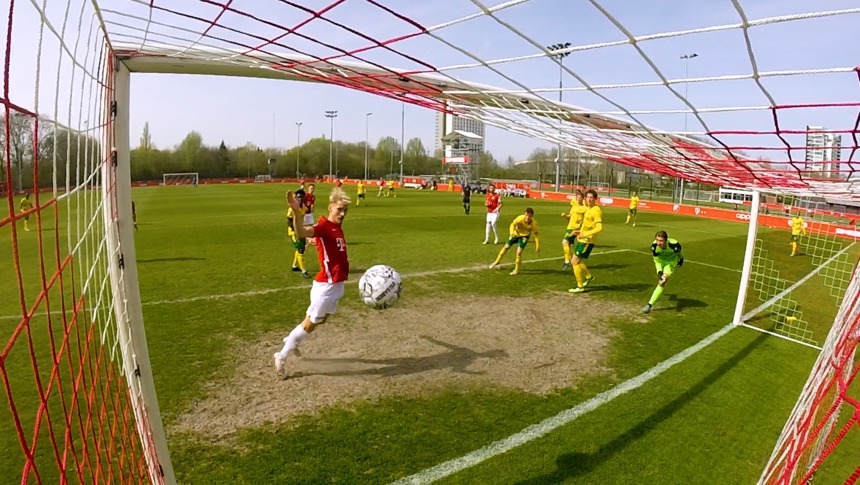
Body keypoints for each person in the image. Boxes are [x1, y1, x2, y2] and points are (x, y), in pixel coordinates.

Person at [275, 187, 352, 379]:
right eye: (339, 209)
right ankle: (282, 354)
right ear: (330, 207)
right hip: (326, 286)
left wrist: (314, 243)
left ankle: (293, 340)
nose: (342, 214)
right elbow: (302, 231)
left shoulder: (335, 228)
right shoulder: (324, 226)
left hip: (336, 285)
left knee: (320, 320)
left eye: (345, 211)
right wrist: (296, 212)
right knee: (309, 324)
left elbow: (321, 244)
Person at [568, 189, 602, 294]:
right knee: (577, 260)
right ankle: (588, 276)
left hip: (588, 240)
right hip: (582, 239)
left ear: (595, 199)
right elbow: (587, 225)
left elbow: (599, 227)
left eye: (591, 197)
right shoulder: (587, 208)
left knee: (574, 261)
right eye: (588, 197)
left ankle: (580, 286)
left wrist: (585, 234)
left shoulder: (596, 210)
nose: (589, 199)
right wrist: (578, 232)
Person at [489, 208, 540, 276]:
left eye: (530, 216)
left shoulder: (534, 224)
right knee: (506, 247)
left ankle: (516, 270)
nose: (528, 217)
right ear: (525, 214)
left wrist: (537, 245)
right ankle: (497, 261)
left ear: (532, 216)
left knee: (519, 252)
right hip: (515, 234)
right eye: (527, 215)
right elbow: (512, 224)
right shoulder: (520, 218)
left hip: (524, 236)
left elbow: (536, 235)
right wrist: (511, 232)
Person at [642, 230, 684, 314]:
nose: (658, 243)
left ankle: (649, 305)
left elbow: (679, 253)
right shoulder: (654, 246)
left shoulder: (674, 245)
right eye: (657, 240)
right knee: (661, 278)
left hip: (671, 262)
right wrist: (659, 272)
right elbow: (656, 261)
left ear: (666, 240)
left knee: (662, 282)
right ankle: (650, 305)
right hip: (661, 261)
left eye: (661, 241)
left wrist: (681, 259)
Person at [286, 191, 311, 278]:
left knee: (301, 248)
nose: (300, 199)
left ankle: (294, 266)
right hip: (293, 231)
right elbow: (289, 222)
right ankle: (304, 270)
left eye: (301, 197)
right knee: (301, 248)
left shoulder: (303, 206)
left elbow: (307, 211)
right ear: (296, 198)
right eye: (298, 197)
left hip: (300, 230)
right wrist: (295, 232)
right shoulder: (292, 209)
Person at [561, 190, 587, 270]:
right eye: (577, 198)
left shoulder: (584, 208)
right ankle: (571, 261)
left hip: (575, 229)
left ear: (583, 199)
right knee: (568, 245)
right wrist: (565, 216)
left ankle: (567, 261)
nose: (579, 199)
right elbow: (570, 217)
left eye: (580, 198)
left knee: (564, 242)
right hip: (570, 227)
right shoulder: (574, 207)